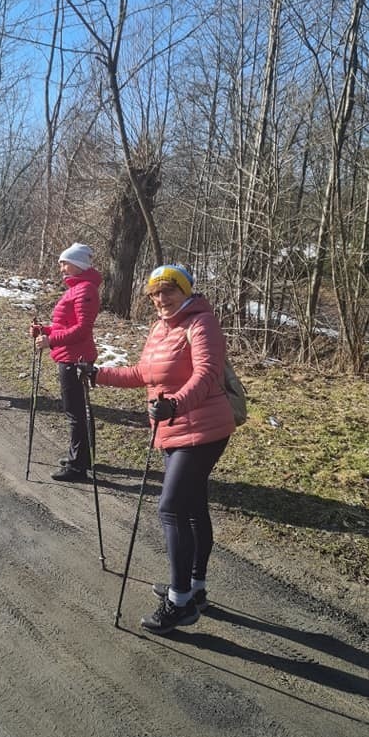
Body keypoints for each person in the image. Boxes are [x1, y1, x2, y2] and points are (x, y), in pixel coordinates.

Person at [79, 264, 235, 634]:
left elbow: (207, 374)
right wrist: (98, 374)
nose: (161, 299)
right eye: (155, 294)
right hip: (172, 426)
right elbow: (142, 374)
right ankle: (195, 589)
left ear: (186, 291)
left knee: (170, 509)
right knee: (193, 507)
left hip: (203, 428)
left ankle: (179, 602)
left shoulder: (201, 323)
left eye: (169, 291)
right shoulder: (160, 328)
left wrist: (176, 406)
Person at [31, 242, 102, 482]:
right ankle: (82, 456)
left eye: (64, 263)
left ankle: (78, 466)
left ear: (77, 264)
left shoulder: (85, 290)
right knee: (78, 410)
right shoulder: (77, 288)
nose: (61, 267)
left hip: (77, 358)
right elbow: (66, 325)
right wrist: (45, 329)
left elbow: (82, 329)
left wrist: (50, 340)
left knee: (76, 412)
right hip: (72, 355)